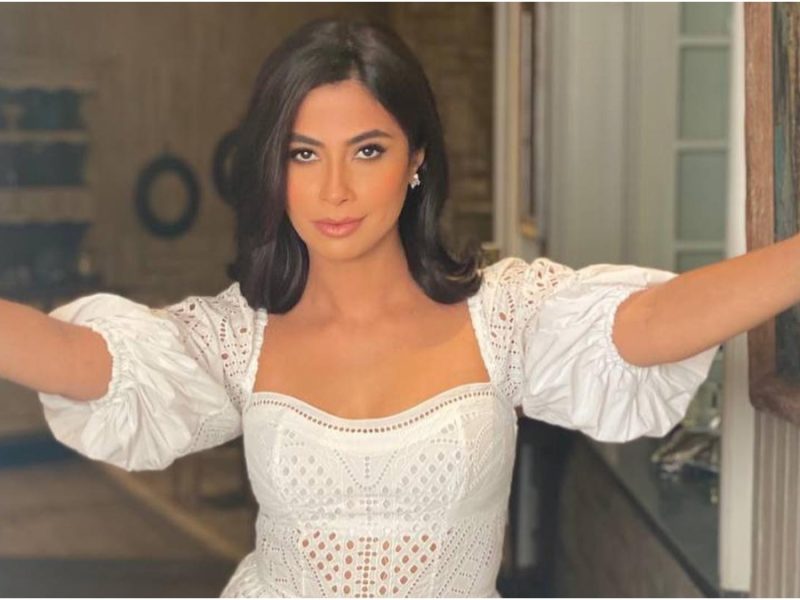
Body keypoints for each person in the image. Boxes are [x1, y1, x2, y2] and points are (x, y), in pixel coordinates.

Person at [0, 16, 793, 598]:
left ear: (415, 158)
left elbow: (647, 324)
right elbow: (84, 363)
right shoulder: (241, 335)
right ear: (275, 167)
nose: (334, 190)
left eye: (367, 150)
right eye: (304, 154)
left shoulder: (502, 314)